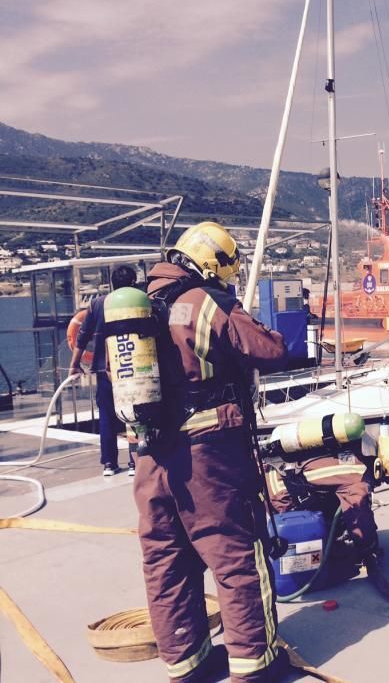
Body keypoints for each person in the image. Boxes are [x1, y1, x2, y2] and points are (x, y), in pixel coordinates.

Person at [134, 222, 290, 682]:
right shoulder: (204, 303)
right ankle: (254, 665)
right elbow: (270, 349)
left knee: (166, 560)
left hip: (146, 458)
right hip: (205, 456)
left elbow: (82, 355)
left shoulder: (130, 306)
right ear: (214, 263)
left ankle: (187, 666)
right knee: (236, 553)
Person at [264, 434, 389, 564]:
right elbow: (360, 519)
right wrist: (369, 547)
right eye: (388, 478)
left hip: (275, 474)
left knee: (336, 514)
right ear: (382, 467)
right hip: (280, 494)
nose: (384, 482)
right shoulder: (358, 476)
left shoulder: (360, 445)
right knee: (325, 549)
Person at [68, 265, 138, 477]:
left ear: (112, 283)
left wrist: (74, 364)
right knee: (135, 414)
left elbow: (82, 335)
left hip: (102, 370)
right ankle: (135, 462)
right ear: (133, 283)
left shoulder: (97, 304)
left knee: (107, 416)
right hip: (133, 368)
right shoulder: (139, 302)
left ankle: (109, 463)